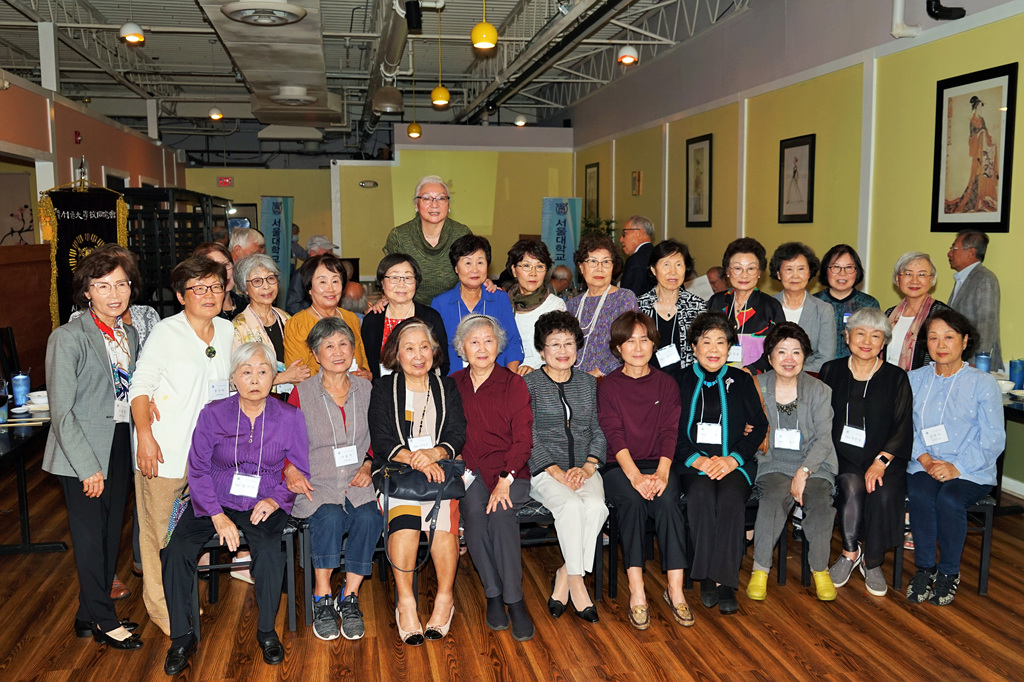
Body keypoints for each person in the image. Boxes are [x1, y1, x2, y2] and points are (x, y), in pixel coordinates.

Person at [160, 342, 309, 675]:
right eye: (246, 372)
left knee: (269, 550)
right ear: (234, 378)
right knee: (175, 551)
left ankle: (266, 631)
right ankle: (181, 637)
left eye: (263, 371)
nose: (254, 379)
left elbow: (301, 468)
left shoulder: (290, 417)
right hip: (212, 498)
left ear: (273, 377)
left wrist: (276, 499)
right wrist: (216, 515)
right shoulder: (213, 414)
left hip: (264, 499)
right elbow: (197, 469)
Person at [129, 256, 235, 636]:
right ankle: (164, 609)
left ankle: (183, 597)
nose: (209, 295)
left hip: (211, 456)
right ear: (180, 295)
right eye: (199, 288)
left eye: (216, 287)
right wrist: (145, 437)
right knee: (159, 535)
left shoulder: (226, 331)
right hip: (166, 451)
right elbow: (140, 387)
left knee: (190, 533)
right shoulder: (166, 333)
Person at [44, 245, 143, 650]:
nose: (114, 294)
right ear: (86, 291)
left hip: (119, 441)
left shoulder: (128, 333)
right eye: (103, 286)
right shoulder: (67, 337)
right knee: (89, 538)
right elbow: (61, 412)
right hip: (80, 450)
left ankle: (87, 615)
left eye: (121, 284)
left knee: (108, 535)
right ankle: (104, 620)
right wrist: (87, 467)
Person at [368, 319, 466, 646]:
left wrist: (434, 454)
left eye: (424, 347)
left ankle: (445, 598)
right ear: (396, 354)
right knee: (406, 525)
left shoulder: (446, 387)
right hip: (398, 475)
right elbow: (382, 439)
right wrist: (416, 459)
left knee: (442, 528)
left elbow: (457, 432)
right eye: (409, 348)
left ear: (434, 351)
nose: (418, 355)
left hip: (439, 473)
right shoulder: (384, 388)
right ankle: (406, 603)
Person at [284, 318, 381, 641]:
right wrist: (290, 469)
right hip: (318, 480)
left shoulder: (366, 389)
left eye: (343, 344)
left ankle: (349, 596)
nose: (338, 352)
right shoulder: (302, 393)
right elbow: (285, 440)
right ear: (315, 353)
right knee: (329, 516)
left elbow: (378, 439)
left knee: (369, 517)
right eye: (329, 346)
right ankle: (322, 595)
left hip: (358, 479)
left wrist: (368, 465)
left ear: (353, 350)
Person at [905, 310, 1004, 606]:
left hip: (970, 468)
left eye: (949, 337)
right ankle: (925, 568)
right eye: (933, 337)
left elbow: (992, 438)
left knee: (949, 499)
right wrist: (924, 459)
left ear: (964, 341)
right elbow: (904, 427)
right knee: (921, 495)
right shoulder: (913, 379)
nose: (941, 344)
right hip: (923, 463)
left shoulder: (982, 383)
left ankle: (949, 572)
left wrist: (956, 467)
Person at [597, 311, 689, 630]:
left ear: (654, 345)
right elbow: (614, 434)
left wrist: (662, 473)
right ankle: (637, 591)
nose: (638, 347)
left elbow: (669, 432)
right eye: (630, 341)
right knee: (633, 502)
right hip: (619, 466)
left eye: (645, 340)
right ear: (618, 347)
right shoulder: (608, 386)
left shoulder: (666, 384)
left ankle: (675, 589)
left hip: (659, 462)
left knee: (668, 502)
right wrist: (635, 476)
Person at [676, 312, 768, 614]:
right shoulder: (680, 380)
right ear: (694, 347)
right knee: (701, 495)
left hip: (734, 462)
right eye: (706, 342)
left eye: (721, 342)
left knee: (730, 499)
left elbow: (760, 425)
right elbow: (670, 430)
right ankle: (705, 576)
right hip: (692, 463)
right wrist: (697, 460)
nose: (714, 349)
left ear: (729, 348)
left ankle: (725, 580)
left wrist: (732, 459)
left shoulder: (741, 380)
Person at [452, 315, 536, 640]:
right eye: (474, 342)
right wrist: (457, 461)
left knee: (500, 514)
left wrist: (505, 478)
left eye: (488, 340)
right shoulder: (453, 383)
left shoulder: (513, 384)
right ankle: (493, 594)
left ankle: (515, 600)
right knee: (474, 515)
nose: (482, 347)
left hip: (510, 472)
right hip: (471, 472)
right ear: (462, 348)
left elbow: (523, 440)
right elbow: (448, 432)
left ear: (498, 345)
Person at [819, 308, 913, 597]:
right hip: (840, 454)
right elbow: (818, 417)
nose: (867, 341)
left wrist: (881, 461)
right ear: (847, 337)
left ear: (884, 342)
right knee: (851, 484)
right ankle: (850, 553)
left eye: (876, 336)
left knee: (882, 492)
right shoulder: (831, 371)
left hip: (884, 456)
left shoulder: (896, 377)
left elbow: (902, 425)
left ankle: (872, 560)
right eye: (860, 333)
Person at [524, 311, 606, 624]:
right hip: (546, 470)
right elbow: (527, 434)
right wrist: (555, 470)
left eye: (569, 343)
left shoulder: (587, 383)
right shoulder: (529, 384)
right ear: (541, 349)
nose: (562, 350)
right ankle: (578, 583)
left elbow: (598, 429)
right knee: (571, 507)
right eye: (554, 343)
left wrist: (588, 466)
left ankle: (565, 574)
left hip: (584, 467)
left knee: (596, 507)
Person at [747, 322, 838, 602]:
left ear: (804, 356)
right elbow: (745, 425)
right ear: (770, 357)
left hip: (815, 463)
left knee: (820, 502)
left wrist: (804, 471)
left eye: (796, 352)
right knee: (773, 498)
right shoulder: (757, 386)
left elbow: (823, 439)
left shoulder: (820, 390)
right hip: (773, 462)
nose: (789, 359)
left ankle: (820, 570)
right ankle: (760, 570)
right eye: (782, 351)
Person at [431, 235, 524, 374]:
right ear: (456, 268)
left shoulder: (499, 299)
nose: (474, 270)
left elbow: (513, 343)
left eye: (480, 262)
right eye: (468, 263)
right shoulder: (440, 304)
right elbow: (433, 350)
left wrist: (509, 379)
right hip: (453, 382)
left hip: (496, 381)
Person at [384, 175, 472, 305]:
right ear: (416, 204)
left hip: (454, 306)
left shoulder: (462, 234)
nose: (434, 205)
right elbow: (390, 278)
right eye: (426, 198)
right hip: (411, 308)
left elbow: (472, 272)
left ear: (448, 204)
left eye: (441, 198)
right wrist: (385, 299)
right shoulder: (399, 236)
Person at [284, 253, 372, 380]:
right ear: (310, 288)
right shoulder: (297, 324)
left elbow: (362, 362)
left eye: (335, 281)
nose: (330, 289)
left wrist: (366, 374)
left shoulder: (351, 319)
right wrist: (343, 379)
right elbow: (299, 376)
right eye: (323, 282)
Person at [361, 254, 449, 380]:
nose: (401, 284)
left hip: (422, 387)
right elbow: (367, 364)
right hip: (381, 389)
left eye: (408, 278)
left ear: (416, 282)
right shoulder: (372, 320)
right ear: (382, 283)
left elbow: (442, 362)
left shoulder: (431, 318)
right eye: (394, 277)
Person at [231, 253, 310, 393]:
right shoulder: (238, 327)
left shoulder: (287, 318)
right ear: (245, 288)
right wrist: (282, 377)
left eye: (270, 278)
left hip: (293, 397)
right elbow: (234, 381)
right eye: (257, 281)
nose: (266, 286)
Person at [708, 238, 783, 374]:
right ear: (727, 271)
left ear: (759, 272)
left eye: (751, 269)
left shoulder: (771, 306)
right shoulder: (716, 302)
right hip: (718, 375)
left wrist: (749, 371)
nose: (744, 275)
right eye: (738, 268)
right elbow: (704, 342)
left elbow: (778, 348)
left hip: (757, 378)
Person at [568, 234, 639, 377]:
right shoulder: (572, 305)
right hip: (574, 380)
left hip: (610, 379)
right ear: (581, 267)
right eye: (593, 262)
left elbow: (629, 343)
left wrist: (597, 373)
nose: (599, 268)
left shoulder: (624, 298)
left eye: (606, 262)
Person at [637, 239, 707, 382]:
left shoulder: (697, 307)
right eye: (666, 264)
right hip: (646, 382)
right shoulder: (639, 306)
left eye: (678, 265)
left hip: (687, 383)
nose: (673, 272)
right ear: (653, 269)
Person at [769, 242, 835, 372]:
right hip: (771, 376)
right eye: (789, 269)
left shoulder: (823, 310)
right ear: (778, 274)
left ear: (809, 273)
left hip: (809, 377)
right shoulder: (767, 305)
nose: (795, 275)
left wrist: (792, 371)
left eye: (801, 269)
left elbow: (826, 357)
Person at [504, 240, 567, 372]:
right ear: (514, 270)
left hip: (541, 377)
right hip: (507, 375)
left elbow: (560, 352)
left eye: (539, 266)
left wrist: (537, 371)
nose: (533, 273)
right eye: (526, 266)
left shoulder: (555, 306)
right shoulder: (504, 303)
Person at [884, 252, 950, 371]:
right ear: (898, 279)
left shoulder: (942, 315)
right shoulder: (889, 314)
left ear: (931, 279)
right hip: (887, 379)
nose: (914, 280)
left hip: (924, 380)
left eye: (922, 274)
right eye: (908, 274)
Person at [813, 244, 880, 360]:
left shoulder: (869, 304)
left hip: (857, 367)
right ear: (826, 270)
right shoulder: (814, 303)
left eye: (849, 267)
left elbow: (875, 342)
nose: (842, 273)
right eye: (836, 267)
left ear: (857, 271)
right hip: (818, 367)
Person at [947, 229, 1002, 369]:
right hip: (959, 360)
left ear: (971, 252)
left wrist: (977, 362)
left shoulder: (984, 279)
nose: (949, 253)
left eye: (954, 248)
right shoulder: (962, 279)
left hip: (975, 364)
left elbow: (986, 325)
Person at [946, 96, 1000, 214]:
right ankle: (973, 201)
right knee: (976, 174)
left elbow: (986, 133)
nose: (980, 109)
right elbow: (972, 137)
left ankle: (983, 198)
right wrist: (980, 133)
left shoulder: (982, 119)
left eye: (981, 107)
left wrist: (988, 138)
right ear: (975, 107)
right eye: (979, 107)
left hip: (984, 150)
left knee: (984, 173)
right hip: (978, 152)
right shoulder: (973, 120)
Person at [286, 235, 337, 314]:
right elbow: (292, 305)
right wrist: (313, 317)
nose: (330, 257)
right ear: (313, 253)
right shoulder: (301, 274)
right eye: (326, 253)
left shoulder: (329, 272)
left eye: (330, 253)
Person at [193, 242, 244, 319]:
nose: (223, 272)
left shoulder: (246, 305)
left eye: (225, 265)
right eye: (214, 268)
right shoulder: (199, 313)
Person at [618, 215, 655, 297]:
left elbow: (629, 299)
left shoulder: (635, 260)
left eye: (624, 234)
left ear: (640, 234)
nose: (621, 239)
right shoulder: (658, 255)